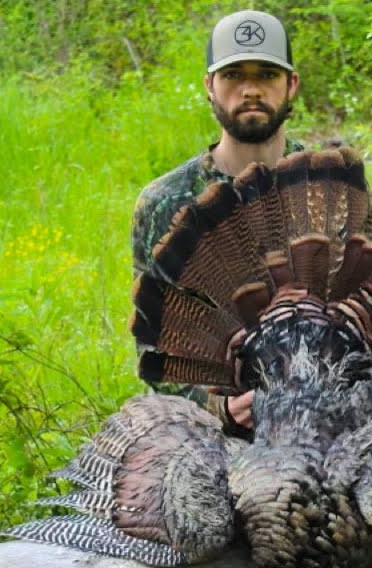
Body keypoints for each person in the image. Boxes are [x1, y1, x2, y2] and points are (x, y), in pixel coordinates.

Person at [130, 9, 303, 436]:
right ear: (210, 86)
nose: (250, 90)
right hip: (207, 432)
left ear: (291, 85)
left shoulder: (330, 186)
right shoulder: (165, 202)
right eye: (233, 76)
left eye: (266, 75)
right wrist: (219, 406)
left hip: (321, 421)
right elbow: (155, 349)